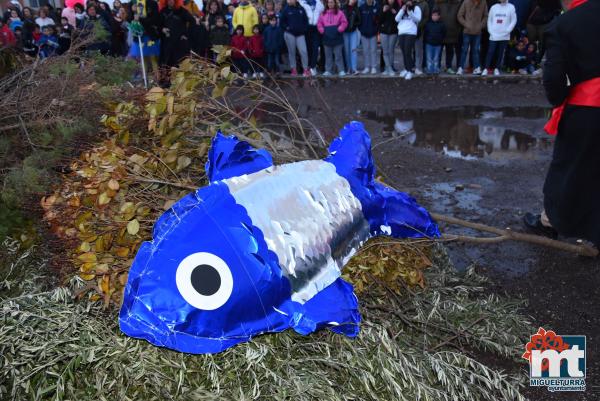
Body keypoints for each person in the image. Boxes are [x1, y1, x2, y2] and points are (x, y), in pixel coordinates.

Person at [524, 0, 600, 251]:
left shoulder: (566, 24)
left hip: (588, 108)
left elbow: (553, 77)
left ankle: (550, 222)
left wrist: (560, 99)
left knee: (569, 167)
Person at [158, 0, 195, 71]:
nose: (171, 1)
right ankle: (167, 81)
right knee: (167, 63)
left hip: (179, 42)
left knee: (180, 63)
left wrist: (186, 34)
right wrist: (162, 29)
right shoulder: (163, 11)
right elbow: (158, 24)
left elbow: (192, 21)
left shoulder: (181, 10)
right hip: (167, 42)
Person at [482, 0, 516, 75]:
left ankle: (496, 68)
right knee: (490, 52)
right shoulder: (494, 7)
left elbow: (513, 20)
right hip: (493, 35)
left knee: (500, 53)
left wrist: (508, 30)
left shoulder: (511, 7)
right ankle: (486, 68)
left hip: (504, 35)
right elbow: (489, 20)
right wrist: (490, 31)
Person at [526, 0, 561, 68]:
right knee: (530, 43)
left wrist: (548, 17)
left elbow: (558, 9)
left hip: (544, 23)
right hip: (531, 23)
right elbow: (527, 8)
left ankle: (538, 61)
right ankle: (529, 62)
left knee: (542, 44)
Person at [317, 0, 347, 76]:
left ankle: (341, 70)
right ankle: (328, 71)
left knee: (338, 55)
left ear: (334, 3)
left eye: (332, 2)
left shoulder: (340, 13)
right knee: (328, 56)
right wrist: (323, 31)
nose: (330, 4)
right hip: (326, 37)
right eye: (329, 2)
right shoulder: (323, 13)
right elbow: (319, 24)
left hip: (337, 37)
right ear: (326, 4)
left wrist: (339, 29)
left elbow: (344, 22)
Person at [279, 0, 310, 76]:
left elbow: (306, 20)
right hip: (290, 34)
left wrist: (304, 29)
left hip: (300, 34)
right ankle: (293, 69)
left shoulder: (301, 8)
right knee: (291, 52)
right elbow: (281, 22)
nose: (288, 1)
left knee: (304, 51)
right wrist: (287, 28)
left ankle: (305, 69)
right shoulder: (286, 9)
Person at [456, 0, 487, 75]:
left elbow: (486, 16)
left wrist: (481, 25)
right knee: (464, 50)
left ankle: (477, 68)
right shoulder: (466, 2)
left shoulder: (483, 2)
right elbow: (459, 15)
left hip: (477, 32)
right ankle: (460, 68)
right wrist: (466, 24)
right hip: (467, 31)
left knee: (476, 51)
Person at [396, 0, 421, 80]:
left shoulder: (416, 8)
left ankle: (410, 71)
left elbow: (418, 19)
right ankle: (406, 69)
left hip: (411, 32)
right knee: (404, 52)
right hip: (401, 32)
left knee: (407, 52)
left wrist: (409, 11)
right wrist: (402, 10)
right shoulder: (402, 7)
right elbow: (396, 19)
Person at [299, 0, 323, 75]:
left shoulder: (319, 3)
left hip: (316, 28)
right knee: (307, 48)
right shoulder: (301, 3)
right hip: (306, 28)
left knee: (315, 48)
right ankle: (308, 67)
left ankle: (313, 66)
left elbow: (322, 15)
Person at [436, 0, 461, 73]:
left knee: (450, 51)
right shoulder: (439, 3)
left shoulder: (457, 4)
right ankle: (437, 67)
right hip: (441, 33)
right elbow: (435, 14)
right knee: (439, 51)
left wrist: (458, 29)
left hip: (453, 32)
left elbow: (460, 16)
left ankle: (448, 67)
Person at [358, 0, 379, 74]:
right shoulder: (361, 8)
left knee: (373, 51)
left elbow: (378, 20)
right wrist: (361, 30)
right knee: (365, 51)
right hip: (364, 33)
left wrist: (376, 30)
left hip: (373, 33)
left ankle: (373, 67)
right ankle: (367, 67)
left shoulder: (377, 7)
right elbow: (359, 20)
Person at [379, 0, 398, 75]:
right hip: (384, 32)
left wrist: (395, 14)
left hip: (393, 32)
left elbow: (398, 21)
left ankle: (390, 68)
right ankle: (388, 68)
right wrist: (383, 11)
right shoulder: (383, 6)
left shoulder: (397, 7)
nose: (391, 0)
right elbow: (379, 20)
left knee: (391, 51)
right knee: (385, 51)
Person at [341, 0, 360, 75]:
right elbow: (341, 19)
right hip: (345, 32)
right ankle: (349, 68)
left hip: (353, 32)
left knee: (353, 49)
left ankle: (354, 68)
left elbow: (359, 20)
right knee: (347, 50)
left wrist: (354, 25)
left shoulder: (356, 8)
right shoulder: (343, 8)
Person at [424, 7, 446, 74]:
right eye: (433, 15)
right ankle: (429, 70)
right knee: (429, 58)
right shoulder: (428, 24)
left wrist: (440, 40)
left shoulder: (442, 24)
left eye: (436, 15)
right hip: (429, 44)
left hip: (438, 44)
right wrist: (427, 40)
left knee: (436, 58)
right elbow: (426, 33)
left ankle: (436, 70)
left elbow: (444, 33)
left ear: (439, 16)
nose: (434, 17)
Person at [414, 0, 429, 75]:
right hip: (409, 30)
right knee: (408, 51)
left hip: (419, 30)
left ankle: (418, 67)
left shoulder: (424, 4)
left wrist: (419, 26)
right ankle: (408, 67)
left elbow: (426, 17)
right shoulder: (410, 2)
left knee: (418, 50)